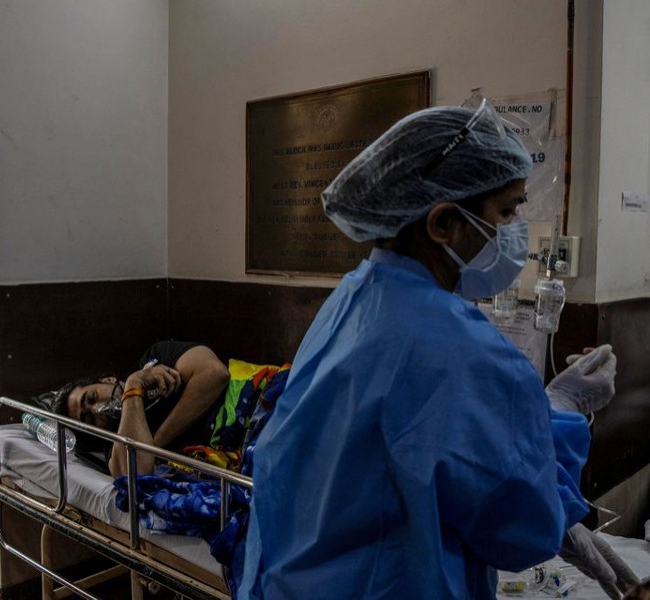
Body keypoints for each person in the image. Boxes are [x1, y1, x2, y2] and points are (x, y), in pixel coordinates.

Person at [238, 99, 627, 599]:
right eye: (506, 212)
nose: (514, 234)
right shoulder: (457, 344)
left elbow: (421, 448)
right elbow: (521, 528)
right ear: (443, 224)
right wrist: (564, 409)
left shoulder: (353, 299)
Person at [47, 341, 230, 477]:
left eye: (92, 397)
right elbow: (134, 475)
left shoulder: (156, 359)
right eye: (89, 418)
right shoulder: (116, 449)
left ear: (108, 379)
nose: (97, 409)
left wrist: (153, 445)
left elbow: (215, 373)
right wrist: (133, 388)